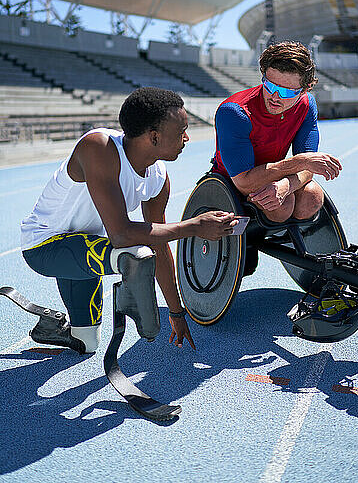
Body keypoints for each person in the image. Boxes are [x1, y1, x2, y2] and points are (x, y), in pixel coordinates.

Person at [21, 88, 238, 353]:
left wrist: (176, 311)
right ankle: (130, 285)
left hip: (86, 254)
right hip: (44, 247)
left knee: (87, 344)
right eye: (182, 130)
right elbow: (122, 235)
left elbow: (159, 242)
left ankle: (51, 326)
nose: (187, 138)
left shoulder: (158, 178)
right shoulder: (98, 147)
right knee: (135, 255)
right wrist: (194, 227)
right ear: (154, 136)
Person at [212, 41, 342, 220]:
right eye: (270, 86)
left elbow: (308, 167)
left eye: (287, 92)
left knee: (312, 197)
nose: (275, 97)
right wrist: (301, 161)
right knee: (282, 206)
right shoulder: (234, 112)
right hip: (234, 182)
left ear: (304, 90)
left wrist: (287, 185)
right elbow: (244, 182)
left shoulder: (307, 105)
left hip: (275, 175)